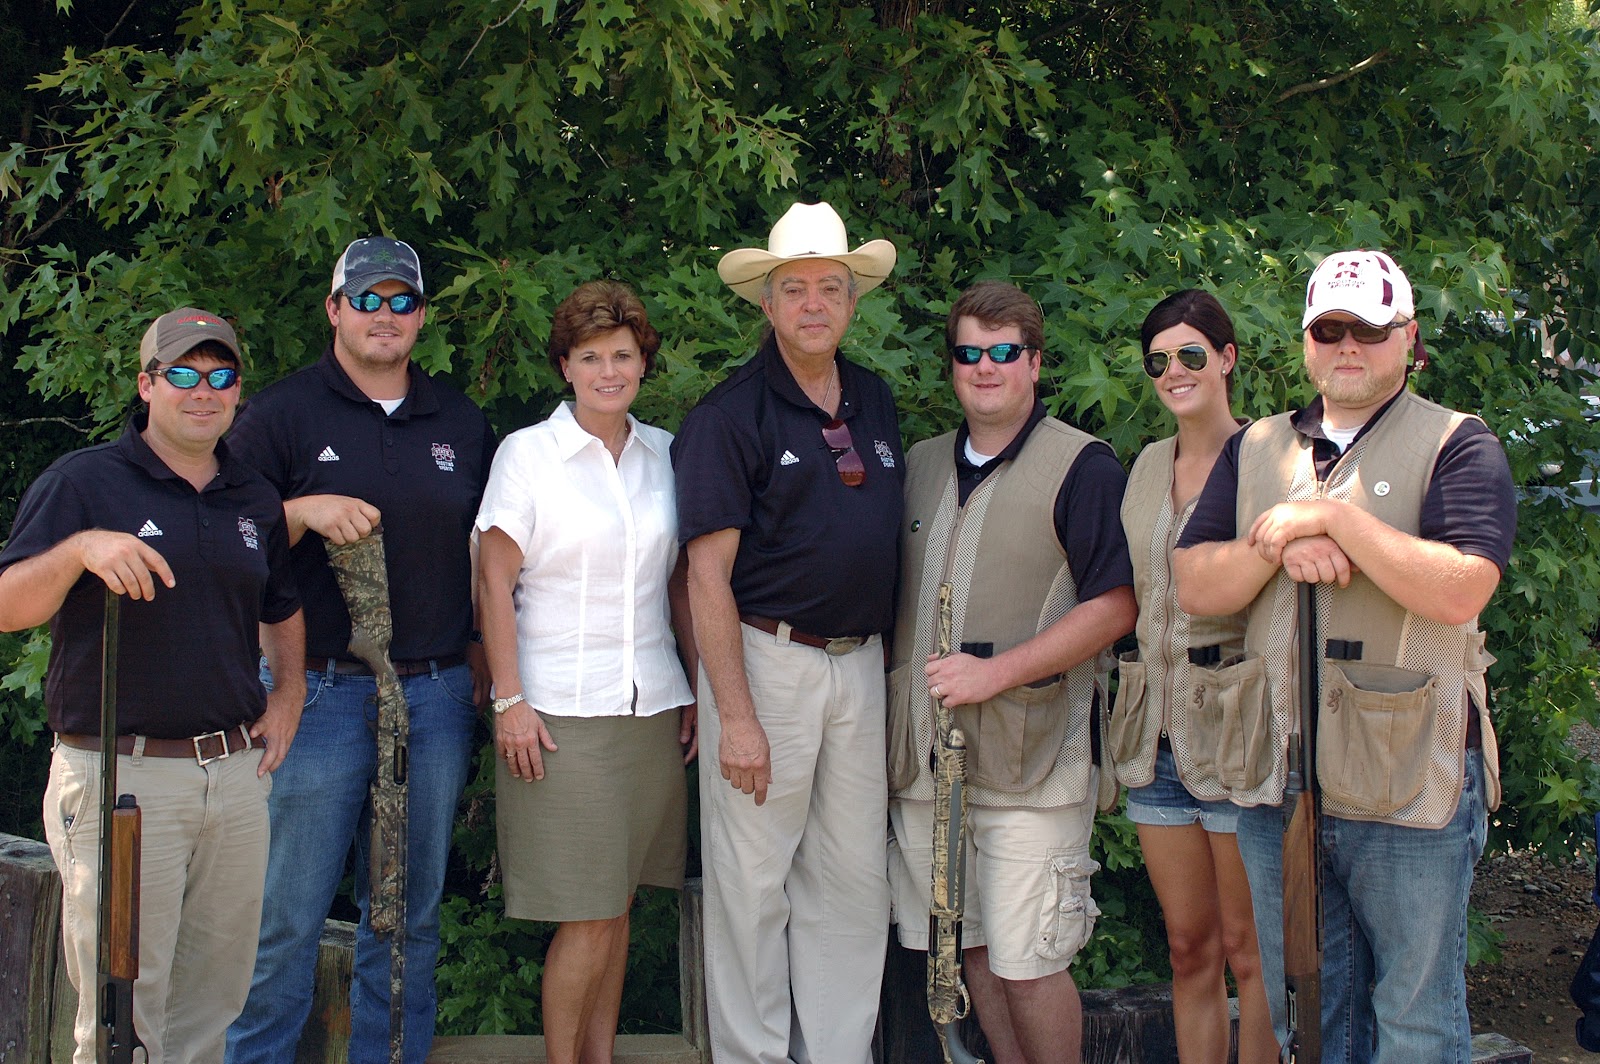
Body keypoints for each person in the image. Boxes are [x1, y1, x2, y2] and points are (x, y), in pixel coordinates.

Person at [1173, 250, 1516, 1063]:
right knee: (1312, 1016)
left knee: (1416, 1023)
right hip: (1280, 779)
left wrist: (1334, 522)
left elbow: (1463, 587)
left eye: (1368, 328)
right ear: (1306, 341)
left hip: (1412, 782)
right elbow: (1194, 581)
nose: (1348, 346)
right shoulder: (1255, 448)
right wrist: (1277, 545)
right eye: (1329, 329)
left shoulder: (1459, 443)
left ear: (1409, 338)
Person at [0, 308, 304, 1064]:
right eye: (184, 374)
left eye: (221, 375)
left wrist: (290, 692)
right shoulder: (83, 483)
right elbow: (8, 607)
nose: (204, 391)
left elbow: (280, 606)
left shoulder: (252, 496)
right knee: (119, 1019)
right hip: (122, 778)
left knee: (211, 1009)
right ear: (147, 384)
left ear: (239, 390)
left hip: (233, 777)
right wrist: (80, 550)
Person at [225, 238, 496, 1064]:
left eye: (401, 301)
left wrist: (485, 661)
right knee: (286, 917)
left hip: (434, 697)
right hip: (316, 695)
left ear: (421, 315)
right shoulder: (279, 415)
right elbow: (220, 539)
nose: (385, 315)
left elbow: (491, 557)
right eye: (367, 300)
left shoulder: (459, 422)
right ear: (335, 309)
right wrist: (297, 512)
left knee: (408, 918)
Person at [671, 200, 904, 1064]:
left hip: (862, 667)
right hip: (765, 665)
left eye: (830, 288)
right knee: (752, 885)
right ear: (766, 304)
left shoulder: (874, 399)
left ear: (853, 302)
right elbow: (705, 577)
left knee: (851, 884)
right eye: (795, 288)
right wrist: (735, 716)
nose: (814, 304)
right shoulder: (730, 416)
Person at [885, 280, 1136, 1064]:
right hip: (927, 765)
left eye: (1003, 352)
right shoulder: (920, 464)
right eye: (969, 353)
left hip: (1034, 761)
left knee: (1030, 963)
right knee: (973, 952)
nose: (985, 368)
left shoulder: (1082, 466)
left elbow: (1116, 605)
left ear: (1034, 362)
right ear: (952, 366)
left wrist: (996, 674)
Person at [474, 280, 697, 1064]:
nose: (609, 371)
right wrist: (509, 699)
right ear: (565, 366)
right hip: (558, 713)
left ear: (643, 363)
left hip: (650, 709)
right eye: (592, 356)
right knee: (588, 910)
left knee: (619, 903)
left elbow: (680, 582)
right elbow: (493, 580)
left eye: (623, 356)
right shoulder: (528, 455)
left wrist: (697, 688)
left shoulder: (666, 454)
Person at [1109, 289, 1276, 1063]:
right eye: (1157, 361)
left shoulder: (1271, 461)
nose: (1173, 371)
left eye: (1190, 354)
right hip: (1156, 743)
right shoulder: (1147, 465)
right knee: (1187, 947)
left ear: (1227, 357)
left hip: (1239, 740)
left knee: (1251, 950)